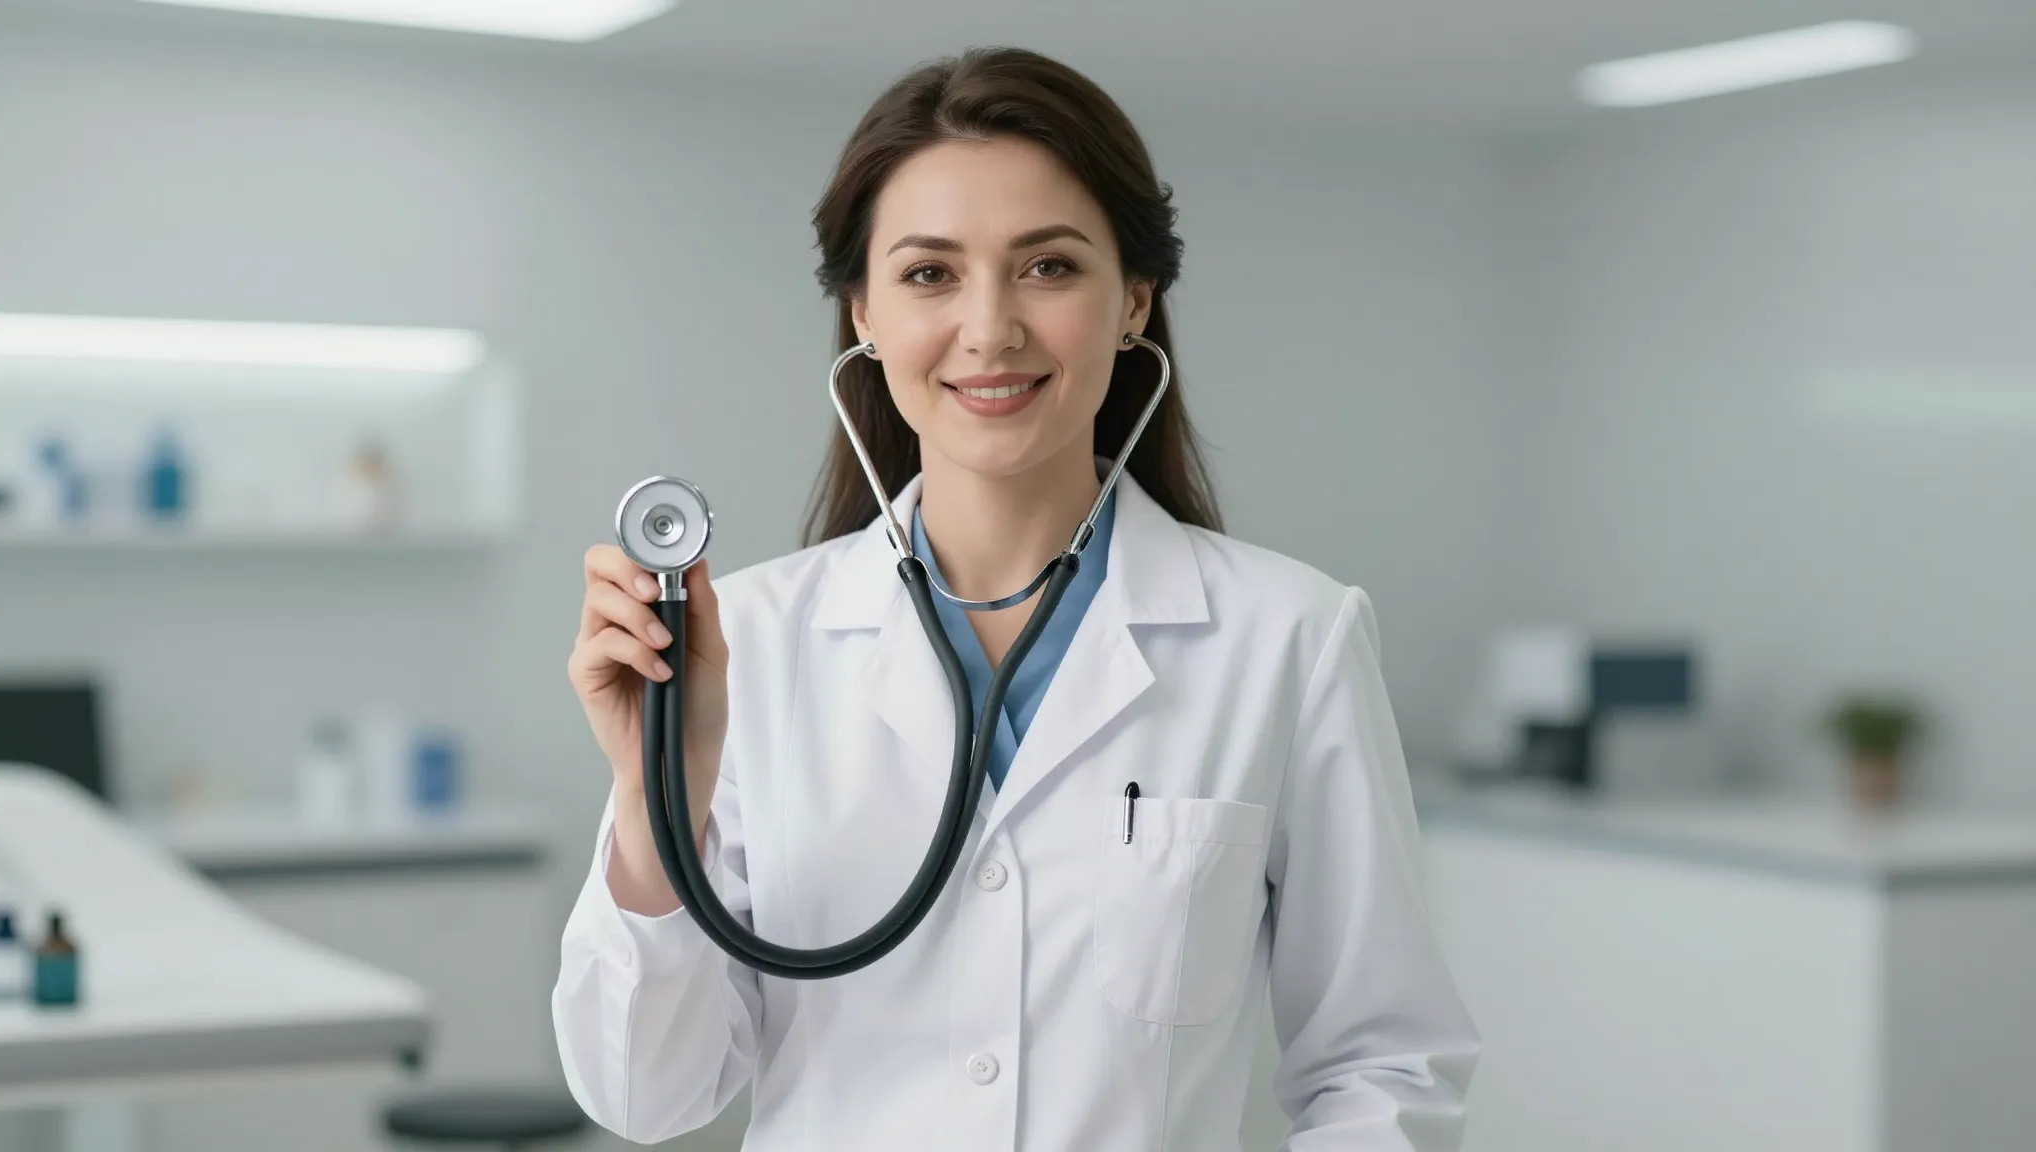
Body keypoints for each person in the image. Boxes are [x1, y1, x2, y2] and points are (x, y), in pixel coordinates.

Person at [554, 46, 1479, 1151]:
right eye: (929, 274)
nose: (988, 329)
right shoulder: (741, 643)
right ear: (862, 313)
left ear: (1134, 299)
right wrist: (664, 790)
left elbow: (1382, 1066)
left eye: (1046, 267)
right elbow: (642, 1096)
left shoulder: (1287, 638)